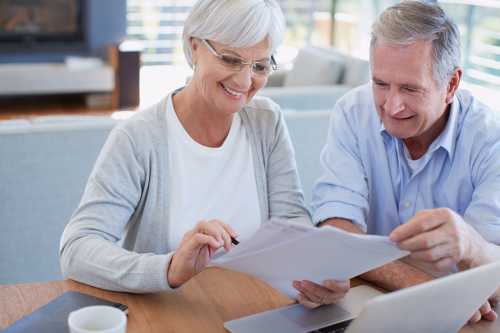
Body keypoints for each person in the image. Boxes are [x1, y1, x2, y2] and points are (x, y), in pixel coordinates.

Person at [59, 0, 348, 308]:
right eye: (230, 59)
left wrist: (316, 268)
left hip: (254, 308)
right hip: (170, 315)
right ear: (194, 47)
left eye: (260, 66)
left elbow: (290, 217)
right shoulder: (139, 137)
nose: (244, 81)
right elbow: (77, 249)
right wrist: (169, 267)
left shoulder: (267, 121)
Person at [312, 0, 500, 324]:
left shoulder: (490, 141)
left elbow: (492, 284)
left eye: (411, 89)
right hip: (373, 301)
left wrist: (471, 245)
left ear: (451, 84)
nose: (392, 106)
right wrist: (428, 290)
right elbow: (338, 234)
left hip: (467, 320)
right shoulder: (352, 113)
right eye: (381, 84)